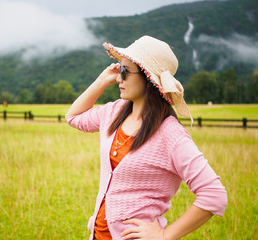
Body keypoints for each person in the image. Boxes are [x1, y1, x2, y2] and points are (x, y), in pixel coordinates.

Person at [65, 36, 227, 240]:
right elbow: (73, 117)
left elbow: (214, 194)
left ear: (148, 79)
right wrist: (102, 80)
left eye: (125, 71)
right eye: (119, 70)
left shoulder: (170, 134)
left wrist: (165, 235)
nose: (119, 78)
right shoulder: (114, 112)